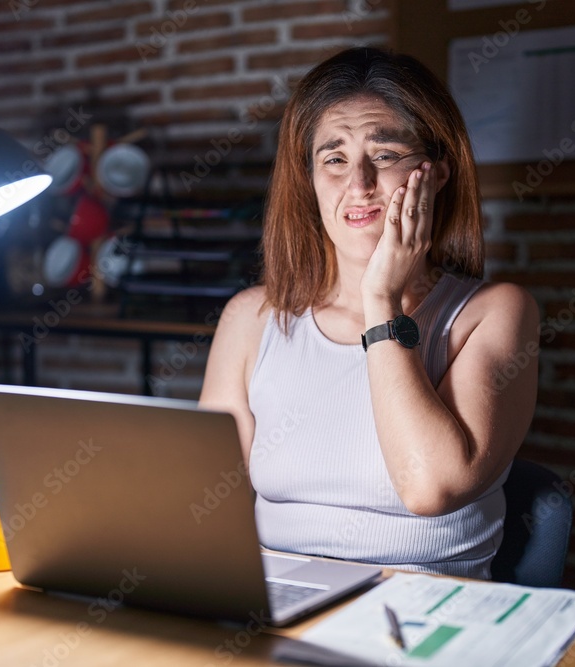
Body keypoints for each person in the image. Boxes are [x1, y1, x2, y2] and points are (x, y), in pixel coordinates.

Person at [199, 47, 539, 579]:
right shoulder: (250, 318)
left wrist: (382, 300)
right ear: (308, 179)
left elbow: (430, 487)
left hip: (425, 612)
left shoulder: (494, 313)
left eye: (383, 155)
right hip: (272, 603)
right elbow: (204, 502)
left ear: (438, 171)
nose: (358, 183)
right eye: (333, 159)